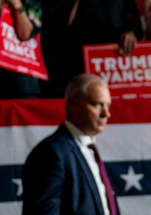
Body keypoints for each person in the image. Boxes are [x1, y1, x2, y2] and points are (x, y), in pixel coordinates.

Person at [22, 74, 120, 215]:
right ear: (73, 105)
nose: (106, 113)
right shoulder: (51, 153)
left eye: (108, 105)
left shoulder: (89, 149)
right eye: (97, 104)